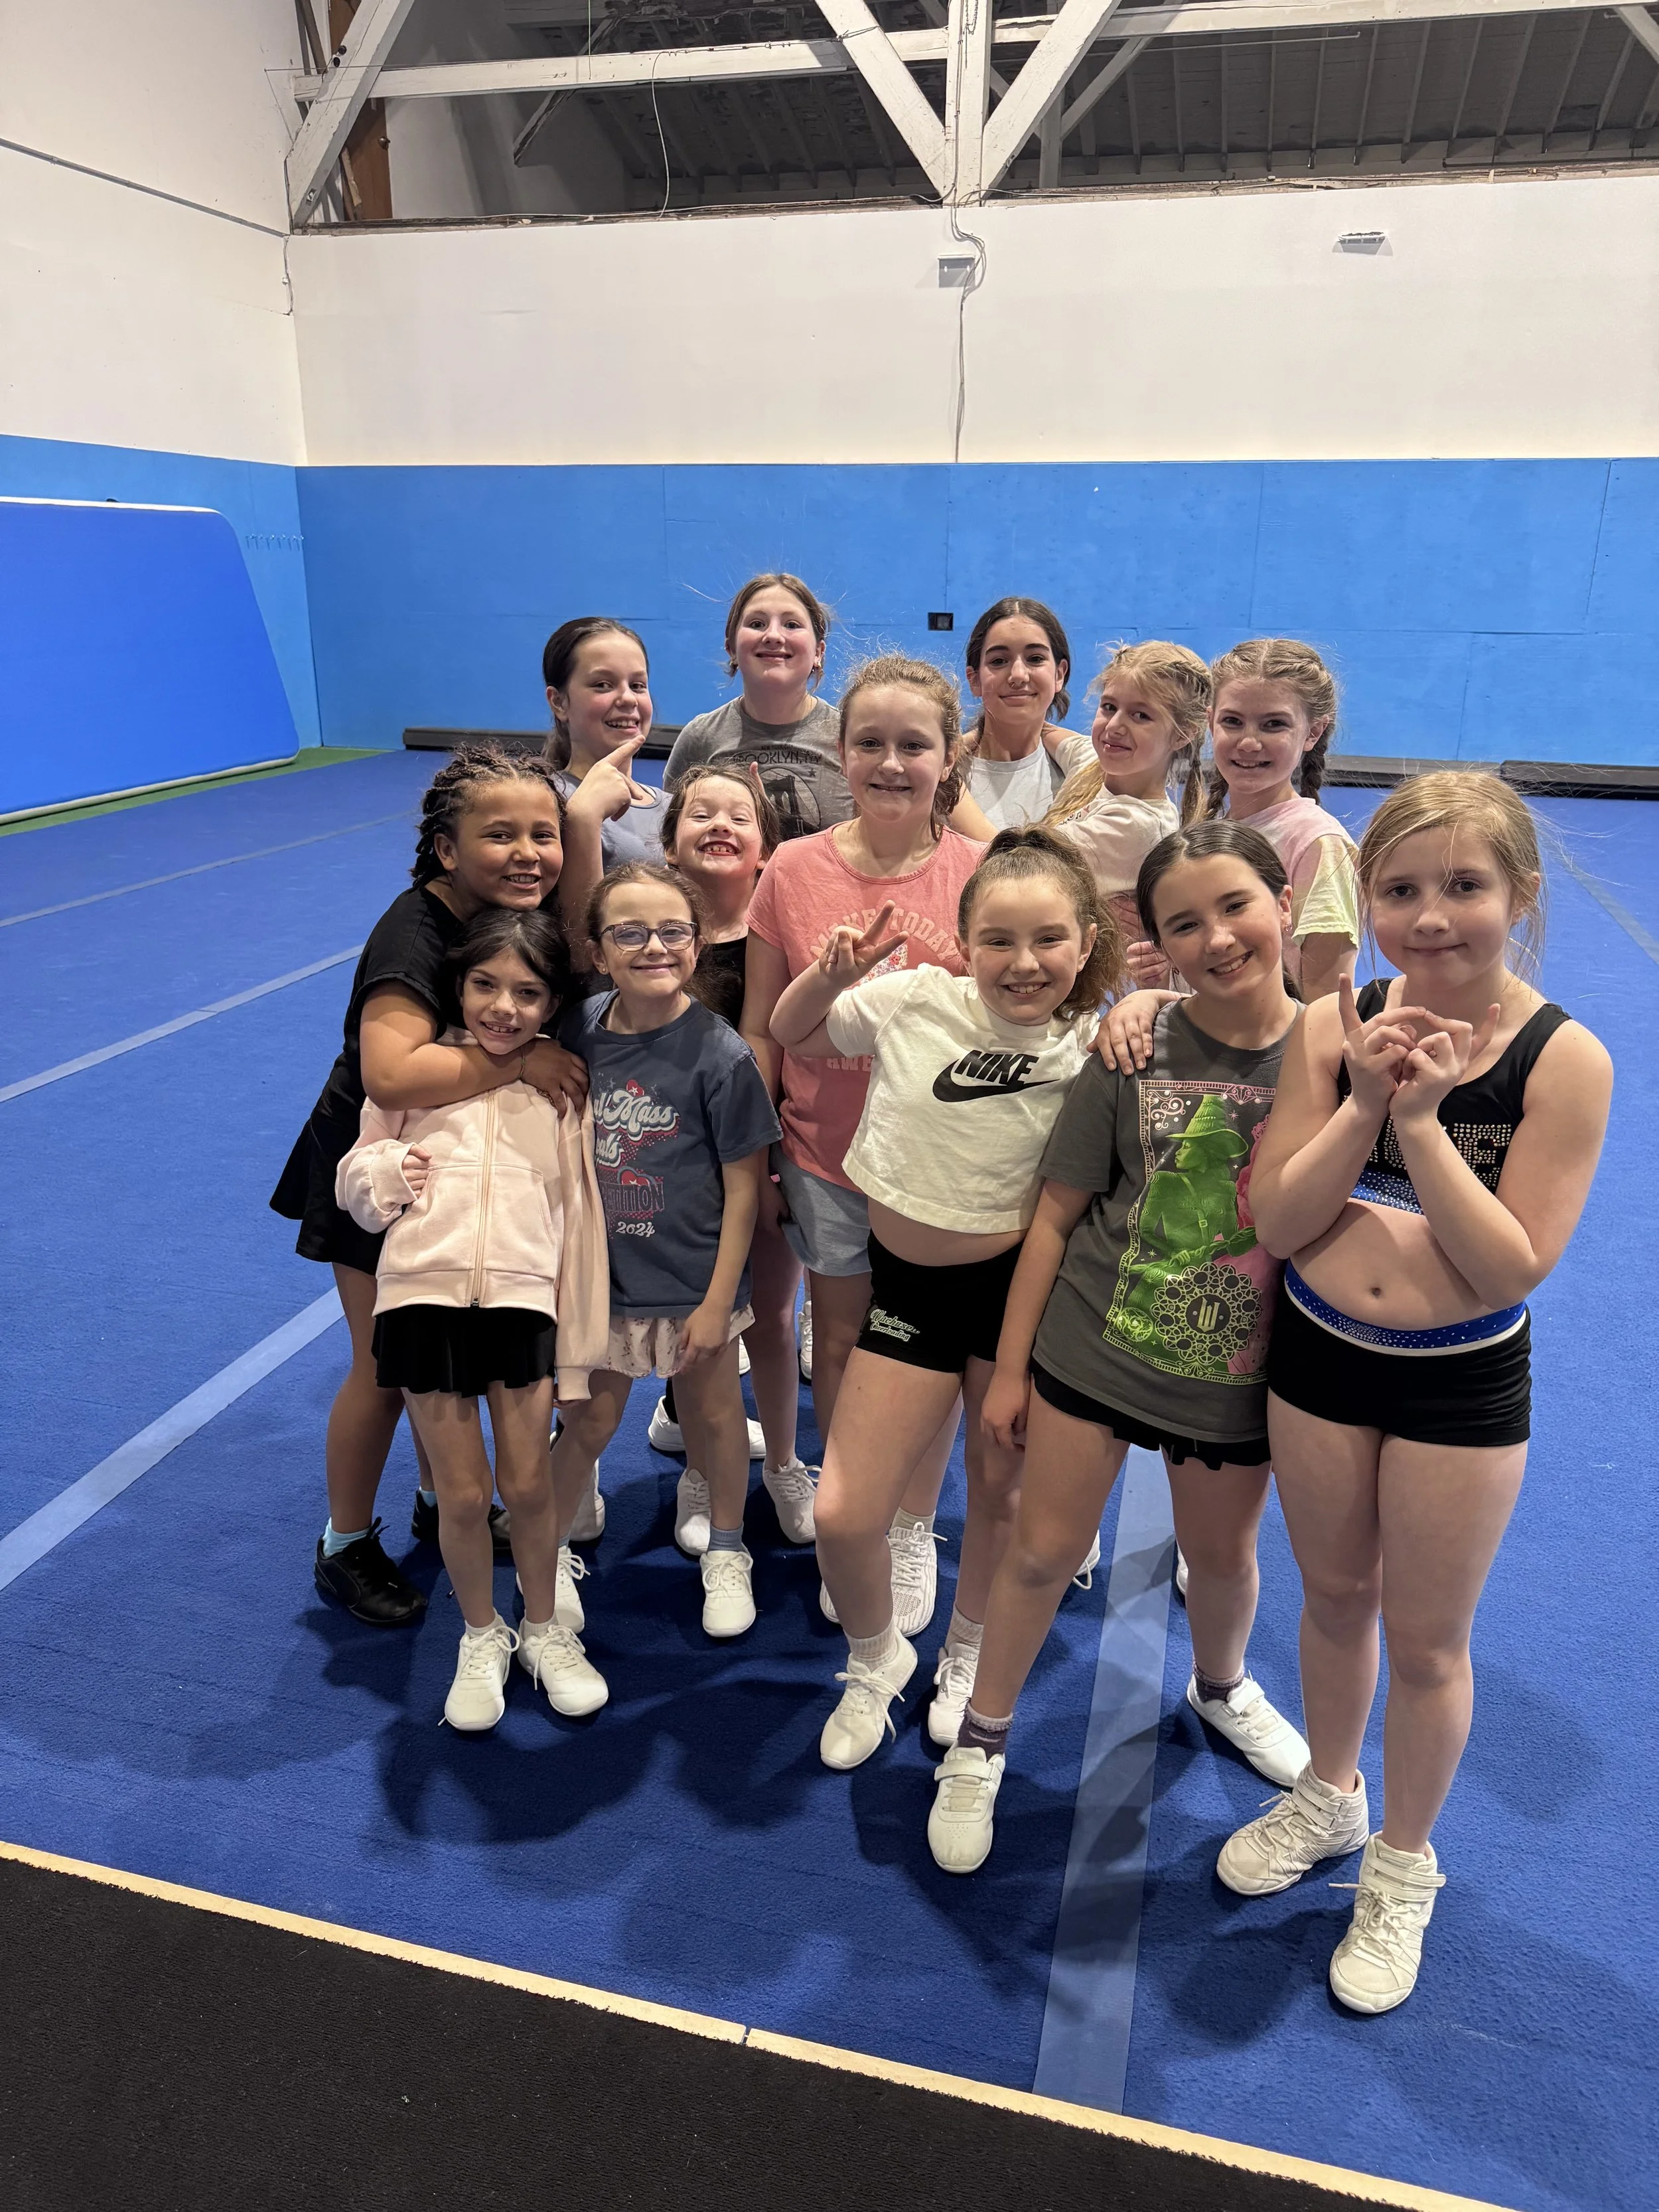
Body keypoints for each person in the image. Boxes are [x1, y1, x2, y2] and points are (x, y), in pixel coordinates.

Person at [1218, 771, 1610, 2015]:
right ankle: (1332, 1795)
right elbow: (1280, 1214)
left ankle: (1403, 1863)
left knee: (1429, 1638)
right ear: (1367, 898)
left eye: (1464, 887)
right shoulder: (1331, 1023)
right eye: (1402, 889)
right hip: (1322, 1352)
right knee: (1333, 1595)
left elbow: (1510, 1263)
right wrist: (1367, 1100)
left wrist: (1427, 1125)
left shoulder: (1566, 1058)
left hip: (1460, 1380)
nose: (1431, 916)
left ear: (1520, 897)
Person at [928, 822, 1313, 1875]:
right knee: (1044, 1549)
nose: (1218, 937)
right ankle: (982, 1737)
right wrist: (1011, 1369)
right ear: (1155, 944)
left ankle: (1224, 1684)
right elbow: (1056, 1218)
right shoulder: (1130, 1045)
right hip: (1093, 1352)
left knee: (1225, 1559)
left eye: (1236, 905)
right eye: (1184, 923)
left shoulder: (1334, 1052)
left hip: (1235, 1376)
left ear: (1285, 898)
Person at [770, 829, 1119, 1769]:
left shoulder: (1093, 1039)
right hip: (913, 1291)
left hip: (1020, 1298)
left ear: (1086, 942)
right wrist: (829, 977)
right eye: (998, 939)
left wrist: (1149, 1003)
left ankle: (967, 1654)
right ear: (963, 941)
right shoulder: (917, 998)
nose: (1023, 962)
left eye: (1049, 939)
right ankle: (876, 1657)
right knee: (844, 1513)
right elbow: (794, 1032)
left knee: (999, 1491)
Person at [271, 747, 589, 1627]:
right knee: (383, 1364)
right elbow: (395, 1073)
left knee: (441, 1349)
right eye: (500, 834)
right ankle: (344, 1543)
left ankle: (434, 1498)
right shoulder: (416, 927)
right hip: (380, 1162)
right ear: (448, 850)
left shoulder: (515, 915)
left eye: (544, 833)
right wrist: (520, 1059)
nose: (528, 851)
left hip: (458, 1162)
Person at [742, 655, 987, 1637]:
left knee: (928, 1348)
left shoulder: (979, 872)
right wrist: (760, 1153)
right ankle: (855, 1508)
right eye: (871, 744)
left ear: (948, 755)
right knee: (840, 1337)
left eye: (914, 744)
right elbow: (765, 1024)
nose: (891, 762)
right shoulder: (793, 870)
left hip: (941, 1174)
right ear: (840, 753)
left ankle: (911, 1522)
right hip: (824, 1156)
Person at [335, 908, 610, 1730]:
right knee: (462, 1493)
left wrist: (575, 1353)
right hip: (424, 1299)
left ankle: (542, 1628)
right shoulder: (428, 1077)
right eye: (485, 985)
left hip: (522, 1304)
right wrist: (387, 1171)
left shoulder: (558, 1088)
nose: (504, 1007)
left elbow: (581, 1220)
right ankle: (480, 1634)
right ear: (458, 985)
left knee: (528, 1486)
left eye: (527, 993)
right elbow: (356, 1177)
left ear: (552, 1002)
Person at [550, 865, 782, 1644]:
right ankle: (544, 1554)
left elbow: (745, 1191)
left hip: (690, 1284)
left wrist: (719, 1301)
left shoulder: (720, 1056)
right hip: (602, 1285)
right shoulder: (576, 1032)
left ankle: (726, 1548)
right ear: (597, 949)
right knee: (585, 1423)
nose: (654, 946)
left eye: (672, 930)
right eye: (629, 932)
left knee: (716, 1419)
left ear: (698, 941)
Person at [650, 765, 818, 1552]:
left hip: (769, 1159)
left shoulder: (775, 931)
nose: (718, 824)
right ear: (670, 843)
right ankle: (700, 1471)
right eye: (699, 813)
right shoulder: (656, 939)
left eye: (738, 816)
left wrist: (778, 1157)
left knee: (774, 1323)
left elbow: (783, 1044)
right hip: (681, 1177)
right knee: (699, 1329)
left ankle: (784, 1461)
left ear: (764, 848)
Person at [1045, 640, 1209, 959]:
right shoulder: (1098, 770)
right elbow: (1056, 737)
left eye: (1141, 715)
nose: (1115, 726)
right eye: (1109, 707)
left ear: (1182, 734)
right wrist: (978, 736)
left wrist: (947, 769)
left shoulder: (1136, 824)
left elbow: (1010, 860)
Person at [664, 573, 849, 843]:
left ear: (819, 652)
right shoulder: (700, 738)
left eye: (791, 624)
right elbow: (671, 843)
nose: (773, 635)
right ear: (731, 649)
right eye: (757, 623)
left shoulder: (849, 738)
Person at [958, 599, 1092, 830]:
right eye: (999, 661)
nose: (1018, 675)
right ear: (974, 680)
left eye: (1035, 659)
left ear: (1059, 675)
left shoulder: (1086, 773)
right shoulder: (941, 774)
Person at [543, 616, 666, 866]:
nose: (628, 698)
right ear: (559, 702)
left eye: (637, 685)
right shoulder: (545, 799)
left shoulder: (676, 808)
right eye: (602, 685)